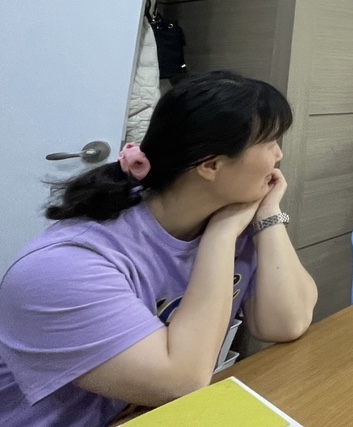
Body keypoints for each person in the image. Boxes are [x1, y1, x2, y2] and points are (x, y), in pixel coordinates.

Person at [0, 71, 318, 426]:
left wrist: (268, 217)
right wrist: (221, 237)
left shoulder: (226, 218)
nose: (279, 154)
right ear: (211, 165)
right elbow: (180, 382)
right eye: (269, 141)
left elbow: (285, 323)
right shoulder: (63, 268)